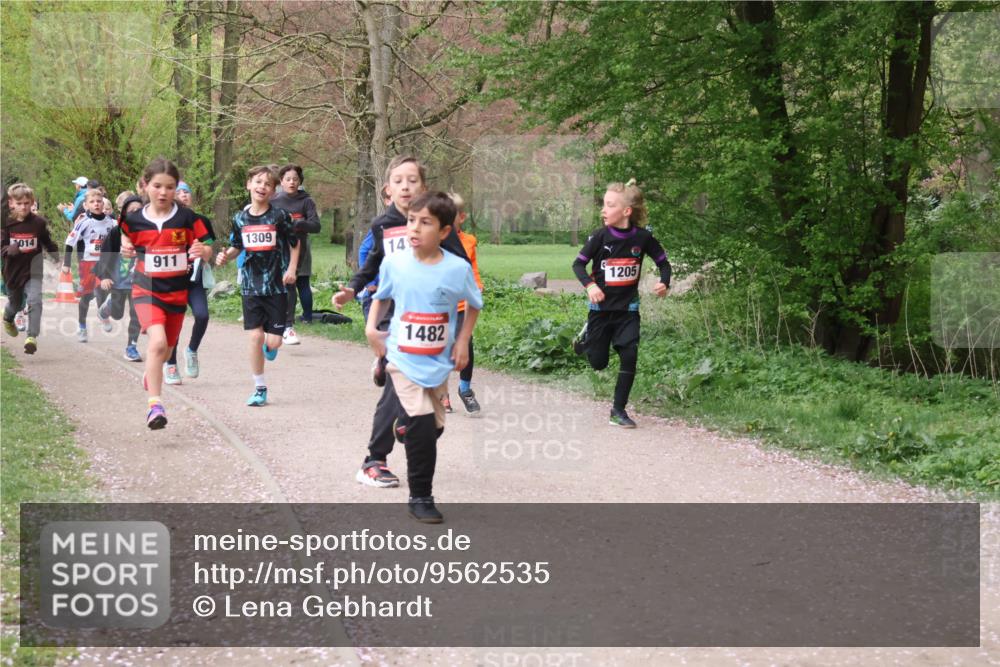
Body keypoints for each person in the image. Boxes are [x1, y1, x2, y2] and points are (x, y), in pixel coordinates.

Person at [332, 156, 470, 489]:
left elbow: (460, 263)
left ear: (424, 188)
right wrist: (352, 289)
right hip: (391, 316)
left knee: (430, 412)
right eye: (398, 181)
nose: (405, 186)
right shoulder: (382, 225)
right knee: (396, 389)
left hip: (429, 319)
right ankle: (373, 461)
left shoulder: (435, 222)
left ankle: (406, 425)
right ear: (387, 189)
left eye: (412, 181)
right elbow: (373, 265)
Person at [366, 191, 482, 523]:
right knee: (420, 422)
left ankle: (407, 429)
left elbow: (474, 304)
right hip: (402, 358)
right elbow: (382, 295)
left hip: (438, 361)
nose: (414, 229)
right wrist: (372, 329)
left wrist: (462, 341)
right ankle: (421, 497)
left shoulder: (457, 269)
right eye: (411, 221)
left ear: (445, 231)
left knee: (433, 428)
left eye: (425, 223)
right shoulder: (395, 262)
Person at [120, 158, 214, 429]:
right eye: (157, 186)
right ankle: (155, 406)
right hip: (146, 290)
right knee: (158, 343)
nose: (163, 192)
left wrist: (202, 251)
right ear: (145, 186)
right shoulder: (133, 219)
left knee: (166, 349)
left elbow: (208, 247)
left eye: (170, 187)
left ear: (176, 188)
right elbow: (125, 238)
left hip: (176, 294)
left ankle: (152, 375)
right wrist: (126, 248)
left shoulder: (187, 218)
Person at [571, 179, 671, 428]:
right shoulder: (599, 237)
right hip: (600, 311)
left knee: (630, 355)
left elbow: (663, 262)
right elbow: (578, 264)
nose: (603, 210)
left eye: (609, 205)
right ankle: (586, 341)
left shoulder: (643, 238)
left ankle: (618, 410)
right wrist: (591, 286)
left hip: (628, 310)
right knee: (599, 363)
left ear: (626, 211)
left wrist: (664, 282)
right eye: (603, 205)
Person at [215, 165, 299, 407]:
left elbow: (294, 243)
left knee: (273, 343)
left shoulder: (279, 216)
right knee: (254, 336)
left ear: (273, 191)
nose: (262, 186)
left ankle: (271, 343)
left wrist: (292, 269)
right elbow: (237, 246)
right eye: (258, 182)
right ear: (249, 185)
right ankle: (259, 388)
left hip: (276, 287)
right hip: (251, 285)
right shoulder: (239, 218)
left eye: (268, 184)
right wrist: (225, 257)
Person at [162, 181, 214, 382]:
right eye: (179, 192)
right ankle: (171, 364)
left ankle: (191, 349)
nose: (183, 195)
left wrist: (204, 252)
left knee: (202, 315)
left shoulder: (199, 220)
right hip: (171, 282)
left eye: (187, 192)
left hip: (194, 280)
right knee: (174, 322)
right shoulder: (163, 221)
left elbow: (209, 248)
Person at [2, 183, 59, 354]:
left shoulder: (38, 223)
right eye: (19, 203)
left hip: (33, 270)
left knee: (35, 300)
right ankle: (7, 318)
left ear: (32, 202)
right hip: (13, 272)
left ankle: (31, 337)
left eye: (27, 203)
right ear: (11, 203)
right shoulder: (6, 223)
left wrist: (56, 256)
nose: (23, 207)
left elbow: (47, 241)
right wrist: (7, 250)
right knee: (16, 303)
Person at [272, 164, 321, 344]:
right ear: (281, 182)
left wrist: (297, 224)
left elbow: (316, 226)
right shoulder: (274, 201)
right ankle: (274, 321)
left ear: (300, 181)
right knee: (276, 284)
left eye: (295, 179)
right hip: (276, 247)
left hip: (298, 247)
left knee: (294, 282)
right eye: (288, 179)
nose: (292, 182)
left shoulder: (306, 201)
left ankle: (289, 325)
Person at [446, 192, 484, 414]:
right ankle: (442, 395)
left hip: (462, 304)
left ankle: (465, 389)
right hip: (440, 305)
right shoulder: (434, 240)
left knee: (465, 345)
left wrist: (477, 286)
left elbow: (473, 268)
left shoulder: (469, 241)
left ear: (462, 217)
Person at [63, 188, 116, 342]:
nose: (96, 204)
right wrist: (66, 263)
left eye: (99, 201)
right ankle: (82, 327)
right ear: (86, 205)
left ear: (103, 203)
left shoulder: (112, 223)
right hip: (89, 263)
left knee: (106, 289)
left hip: (106, 263)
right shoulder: (84, 223)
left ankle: (103, 314)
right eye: (92, 202)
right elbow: (69, 242)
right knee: (86, 297)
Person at [96, 195, 144, 361]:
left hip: (139, 282)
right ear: (124, 213)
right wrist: (103, 277)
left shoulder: (148, 232)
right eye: (131, 211)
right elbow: (104, 255)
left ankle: (131, 347)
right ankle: (106, 308)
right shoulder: (116, 232)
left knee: (136, 314)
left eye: (138, 210)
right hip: (118, 281)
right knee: (117, 314)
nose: (135, 213)